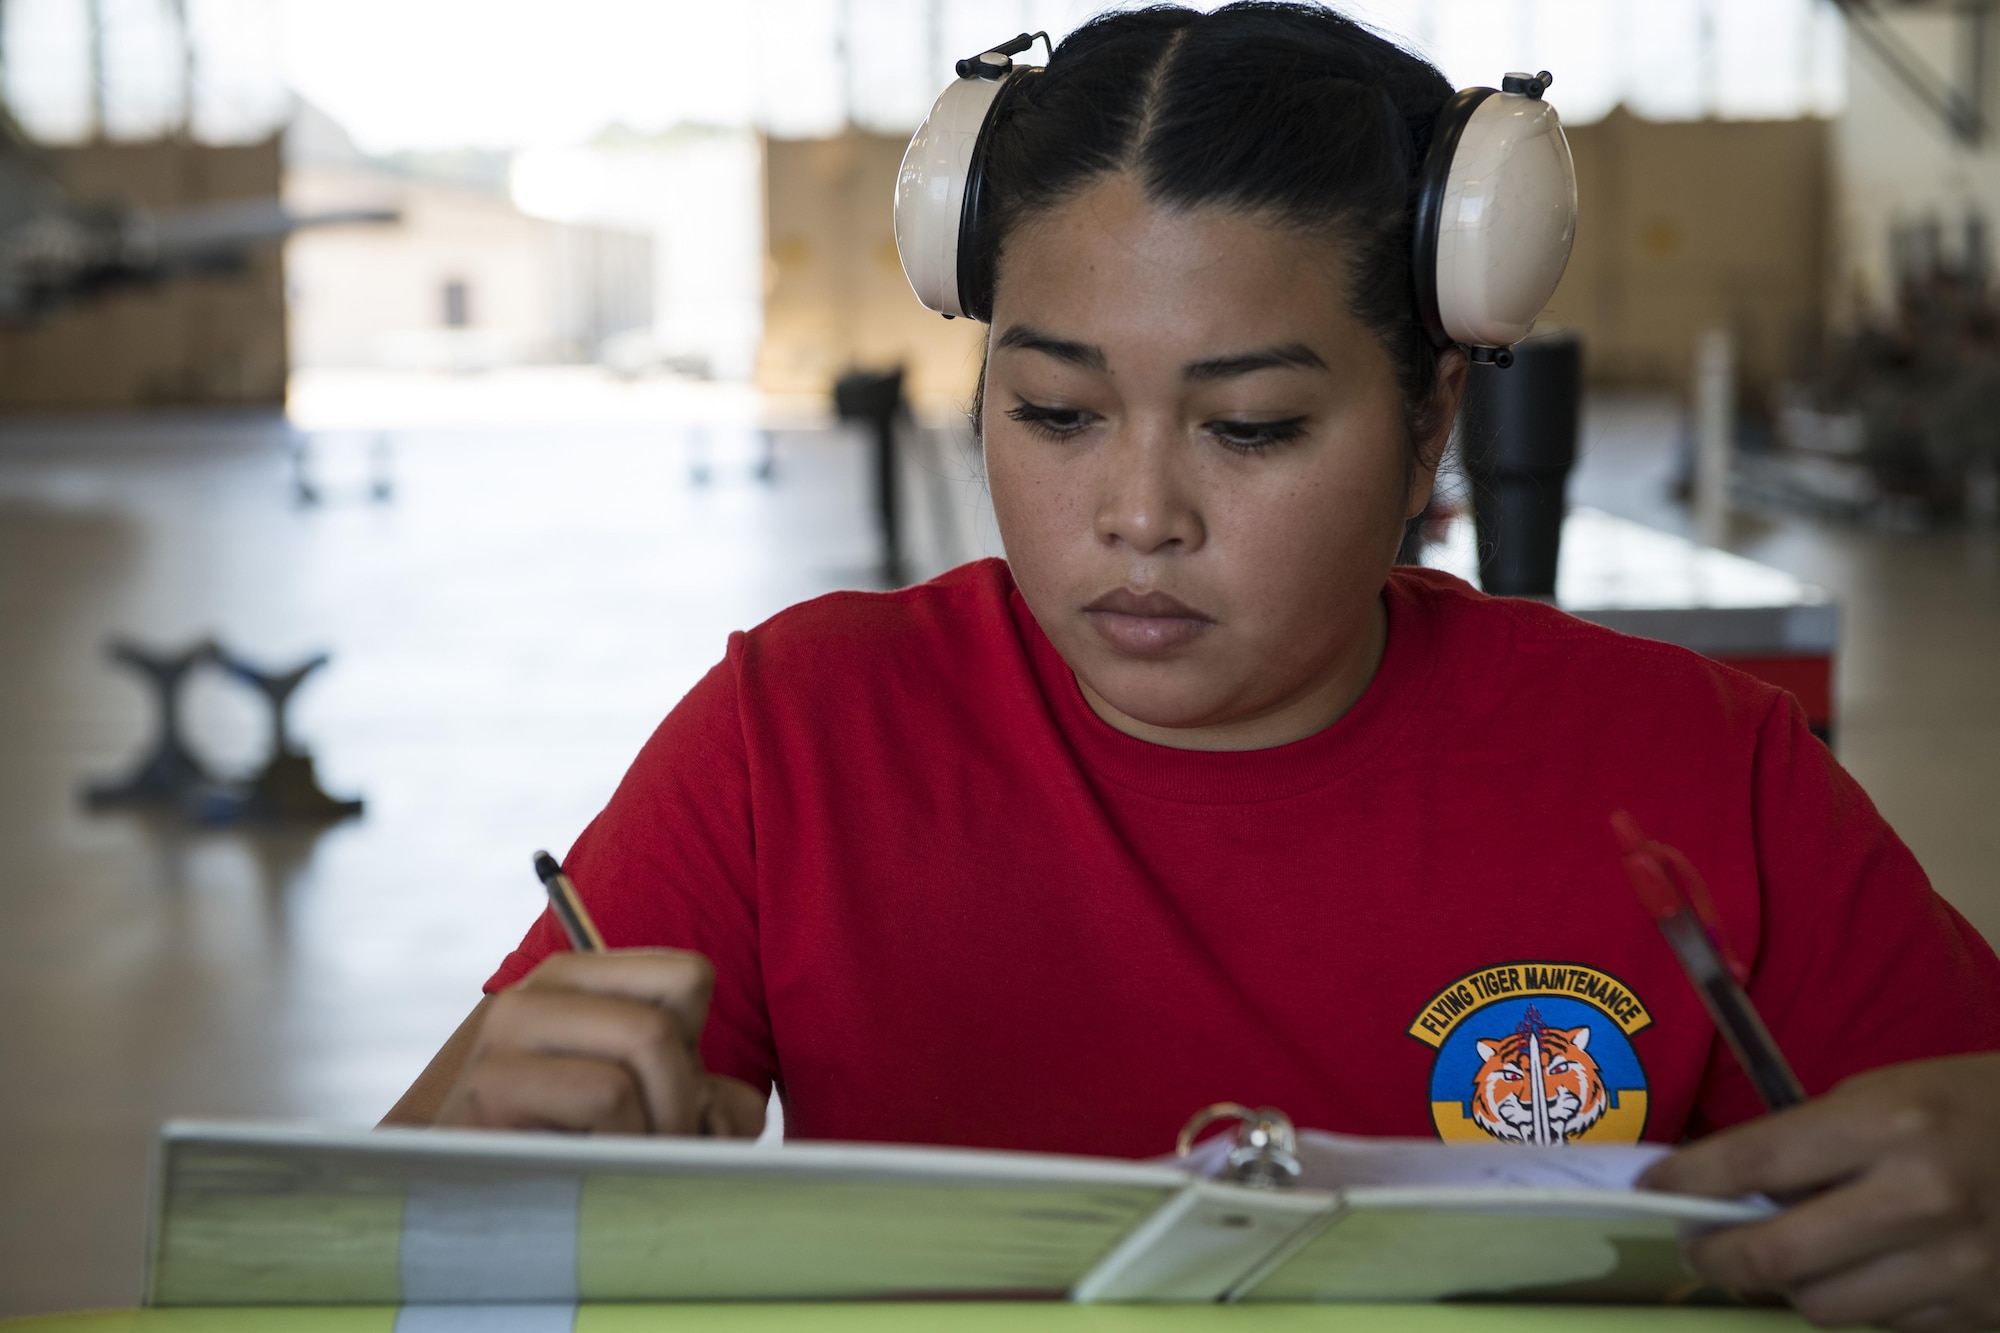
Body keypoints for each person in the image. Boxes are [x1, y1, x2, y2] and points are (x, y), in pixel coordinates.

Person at [384, 5, 2000, 1328]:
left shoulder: (1697, 770)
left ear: (1433, 417)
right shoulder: (799, 739)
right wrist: (484, 1191)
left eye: (1252, 428)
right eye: (1056, 414)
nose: (1139, 514)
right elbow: (361, 1255)